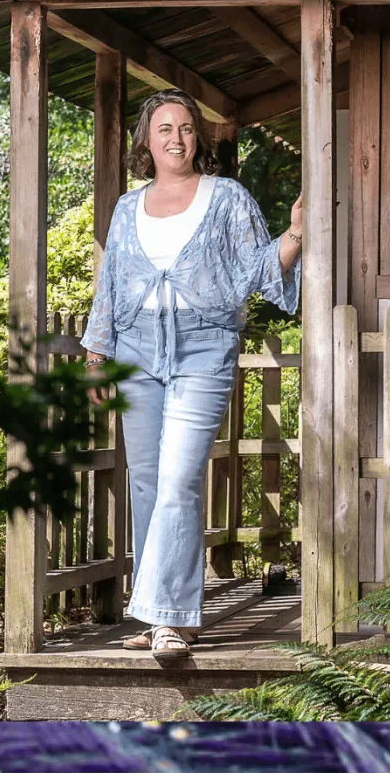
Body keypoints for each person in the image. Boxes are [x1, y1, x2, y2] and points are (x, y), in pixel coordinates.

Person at [80, 88, 302, 657]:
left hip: (204, 349)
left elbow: (258, 271)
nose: (175, 138)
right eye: (164, 129)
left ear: (197, 138)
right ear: (145, 141)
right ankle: (166, 618)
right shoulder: (128, 207)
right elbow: (111, 283)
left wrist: (296, 235)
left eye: (184, 128)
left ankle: (169, 621)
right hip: (135, 350)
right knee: (148, 484)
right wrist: (97, 351)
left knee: (180, 480)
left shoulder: (225, 197)